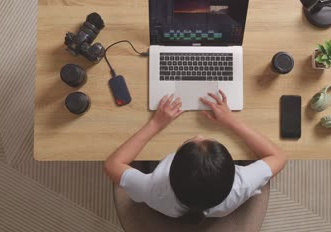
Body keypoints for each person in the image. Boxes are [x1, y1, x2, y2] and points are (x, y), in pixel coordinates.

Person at [104, 90, 287, 224]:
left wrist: (155, 124)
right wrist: (232, 121)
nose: (199, 135)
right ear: (232, 172)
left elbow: (112, 164)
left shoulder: (154, 188)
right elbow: (278, 156)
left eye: (190, 142)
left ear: (170, 171)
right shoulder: (241, 185)